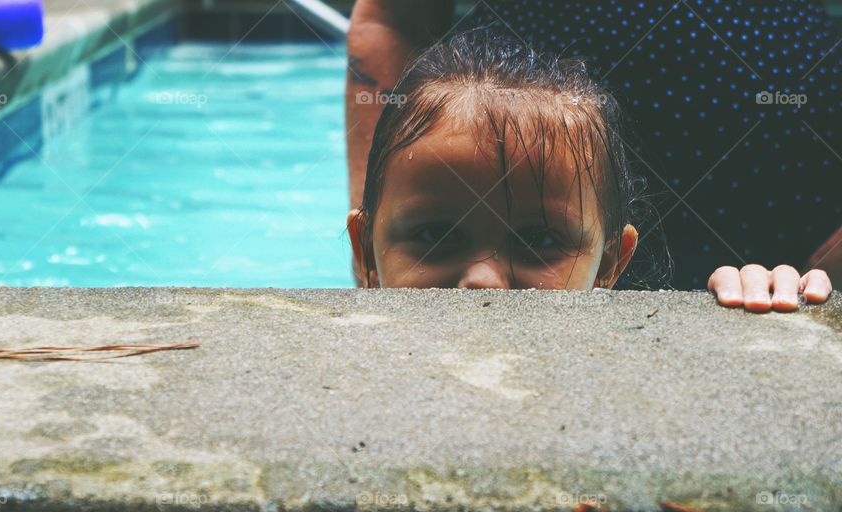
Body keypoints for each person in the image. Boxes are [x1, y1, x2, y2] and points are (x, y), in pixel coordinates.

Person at [346, 0, 839, 308]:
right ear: (364, 245)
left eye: (539, 241)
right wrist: (386, 199)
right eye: (433, 235)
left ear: (614, 263)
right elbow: (391, 17)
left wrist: (769, 301)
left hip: (782, 183)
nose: (484, 285)